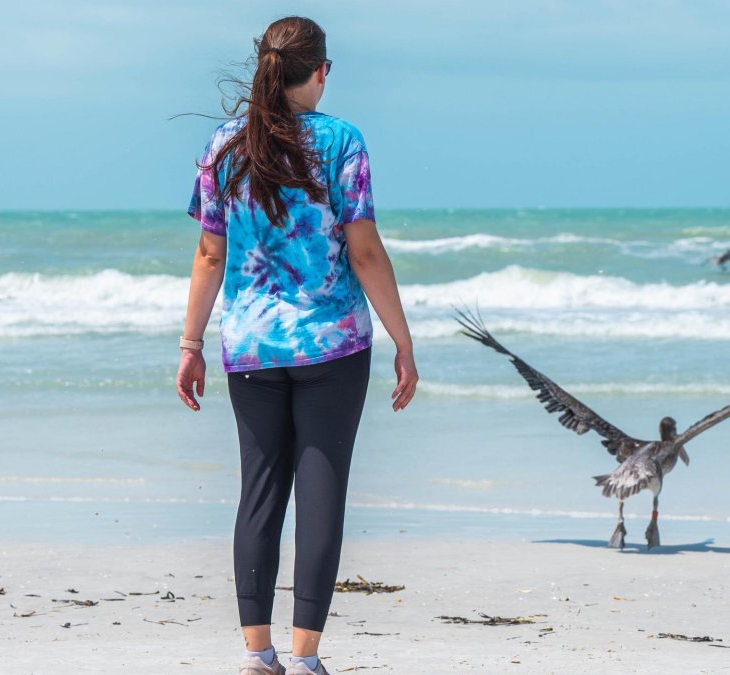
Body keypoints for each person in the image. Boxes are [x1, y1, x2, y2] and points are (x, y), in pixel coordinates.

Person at [175, 16, 418, 675]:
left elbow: (208, 253)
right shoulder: (342, 142)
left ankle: (258, 651)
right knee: (321, 491)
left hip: (250, 347)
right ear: (318, 72)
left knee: (258, 492)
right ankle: (306, 657)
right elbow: (364, 251)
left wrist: (191, 342)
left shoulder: (225, 145)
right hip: (333, 348)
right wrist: (403, 339)